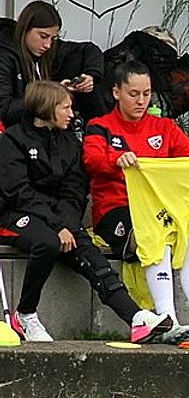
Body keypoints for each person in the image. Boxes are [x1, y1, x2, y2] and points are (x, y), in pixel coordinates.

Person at [0, 81, 173, 342]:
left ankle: (136, 318)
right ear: (46, 108)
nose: (72, 114)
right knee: (47, 243)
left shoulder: (70, 143)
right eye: (65, 108)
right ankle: (25, 314)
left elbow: (74, 192)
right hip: (15, 214)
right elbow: (19, 193)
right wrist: (57, 227)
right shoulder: (12, 140)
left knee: (91, 256)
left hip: (59, 219)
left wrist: (67, 225)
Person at [83, 60, 189, 343]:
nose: (141, 101)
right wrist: (116, 160)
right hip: (115, 211)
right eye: (134, 94)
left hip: (157, 209)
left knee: (187, 235)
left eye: (146, 93)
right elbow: (91, 161)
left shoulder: (164, 127)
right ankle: (168, 321)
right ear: (117, 92)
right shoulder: (99, 126)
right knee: (158, 235)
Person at [0, 1, 105, 129]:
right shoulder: (5, 56)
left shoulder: (49, 49)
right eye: (43, 36)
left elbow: (90, 49)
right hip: (19, 129)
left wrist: (90, 75)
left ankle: (99, 130)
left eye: (52, 38)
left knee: (78, 60)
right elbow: (5, 110)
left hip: (48, 124)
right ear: (25, 29)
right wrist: (50, 96)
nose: (48, 45)